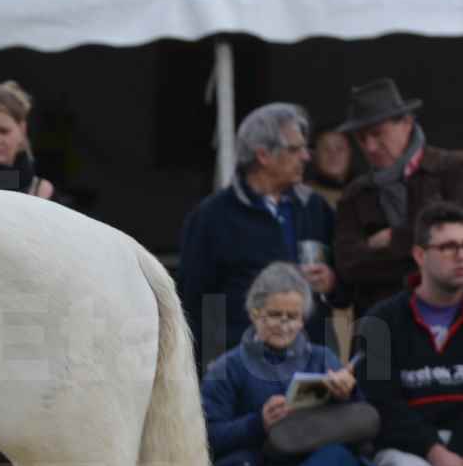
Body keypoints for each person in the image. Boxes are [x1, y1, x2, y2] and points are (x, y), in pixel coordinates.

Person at [201, 262, 362, 466]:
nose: (285, 325)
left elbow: (355, 421)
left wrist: (348, 391)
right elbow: (207, 437)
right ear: (254, 313)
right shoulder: (227, 366)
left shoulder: (322, 357)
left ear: (304, 318)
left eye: (294, 317)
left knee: (336, 458)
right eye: (275, 315)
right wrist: (257, 423)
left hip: (317, 463)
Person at [354, 200, 463, 466]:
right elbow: (381, 404)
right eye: (449, 247)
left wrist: (457, 456)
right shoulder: (382, 321)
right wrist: (436, 452)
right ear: (420, 255)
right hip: (408, 451)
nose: (460, 256)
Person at [178, 102, 339, 369]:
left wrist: (333, 282)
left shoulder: (315, 208)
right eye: (295, 149)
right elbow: (195, 304)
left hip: (312, 368)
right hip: (244, 373)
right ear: (263, 155)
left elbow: (343, 280)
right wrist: (216, 373)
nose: (307, 157)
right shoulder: (212, 217)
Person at [334, 79, 463, 317]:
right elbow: (348, 266)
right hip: (380, 328)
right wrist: (426, 249)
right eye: (361, 139)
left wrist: (393, 238)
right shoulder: (355, 194)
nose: (370, 146)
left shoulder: (453, 170)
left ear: (407, 123)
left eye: (377, 133)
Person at [306, 130, 354, 209]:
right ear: (315, 155)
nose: (333, 155)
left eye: (339, 148)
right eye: (326, 149)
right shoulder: (302, 196)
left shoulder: (368, 193)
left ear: (350, 152)